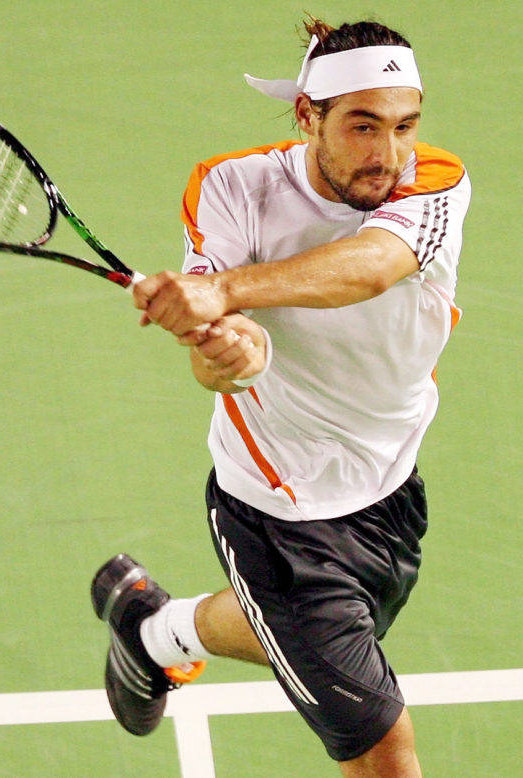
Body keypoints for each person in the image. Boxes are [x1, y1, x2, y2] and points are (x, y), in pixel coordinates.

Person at [91, 17, 471, 777]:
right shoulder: (233, 187)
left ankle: (155, 632)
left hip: (388, 482)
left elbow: (368, 267)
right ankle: (161, 633)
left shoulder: (436, 183)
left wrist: (220, 291)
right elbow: (223, 366)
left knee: (320, 632)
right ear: (308, 115)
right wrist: (232, 349)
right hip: (278, 507)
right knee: (383, 751)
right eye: (363, 127)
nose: (389, 154)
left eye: (405, 126)